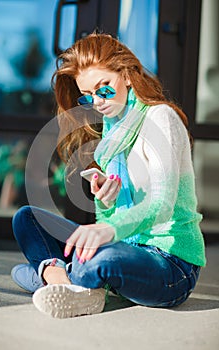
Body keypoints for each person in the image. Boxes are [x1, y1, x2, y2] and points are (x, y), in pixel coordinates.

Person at [11, 33, 206, 319]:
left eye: (104, 89)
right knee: (27, 218)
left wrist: (108, 231)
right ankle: (69, 281)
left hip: (171, 264)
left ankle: (56, 275)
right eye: (88, 96)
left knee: (101, 257)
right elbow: (111, 219)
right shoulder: (110, 137)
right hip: (127, 249)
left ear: (126, 75)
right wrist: (105, 201)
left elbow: (162, 206)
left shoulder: (160, 118)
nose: (98, 103)